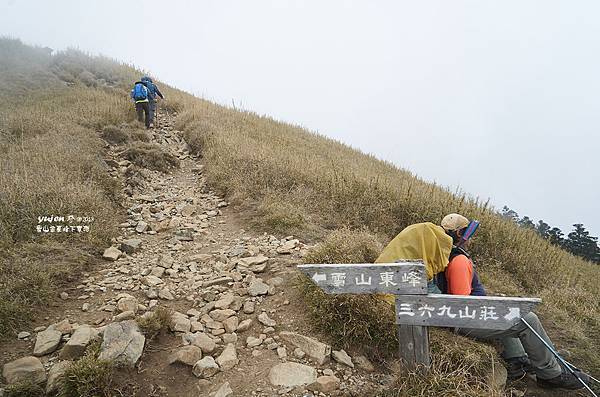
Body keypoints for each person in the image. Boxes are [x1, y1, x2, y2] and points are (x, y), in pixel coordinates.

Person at [438, 213, 589, 390]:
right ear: (459, 234)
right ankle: (550, 374)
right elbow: (464, 305)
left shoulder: (446, 254)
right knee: (527, 318)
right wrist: (494, 309)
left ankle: (521, 359)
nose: (470, 238)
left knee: (509, 308)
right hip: (462, 319)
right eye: (468, 233)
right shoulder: (459, 260)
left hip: (457, 315)